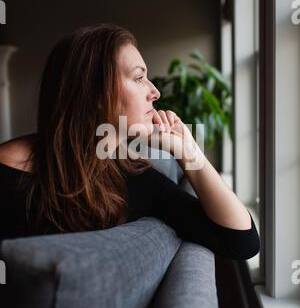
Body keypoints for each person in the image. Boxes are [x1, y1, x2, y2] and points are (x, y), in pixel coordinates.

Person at [0, 23, 260, 260]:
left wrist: (188, 151)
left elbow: (241, 242)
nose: (155, 92)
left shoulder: (132, 179)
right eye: (138, 78)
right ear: (94, 94)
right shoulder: (7, 171)